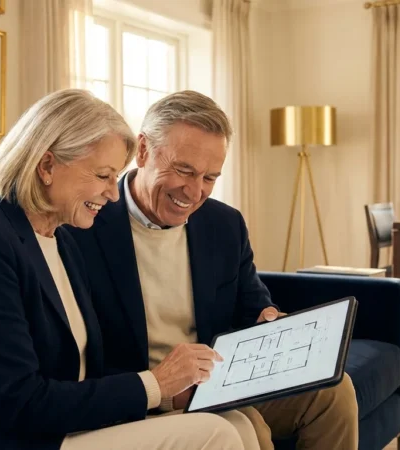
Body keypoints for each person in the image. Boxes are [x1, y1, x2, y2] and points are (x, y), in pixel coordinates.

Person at [0, 89, 259, 450]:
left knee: (236, 423)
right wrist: (156, 383)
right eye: (103, 176)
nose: (114, 194)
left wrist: (170, 395)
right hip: (2, 437)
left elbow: (86, 369)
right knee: (217, 434)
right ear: (47, 166)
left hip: (66, 425)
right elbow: (21, 402)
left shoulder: (61, 238)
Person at [66, 90, 359, 450]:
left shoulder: (224, 223)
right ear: (142, 150)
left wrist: (267, 322)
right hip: (146, 389)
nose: (194, 191)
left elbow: (252, 304)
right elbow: (79, 357)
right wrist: (165, 390)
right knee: (250, 429)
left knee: (334, 390)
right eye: (184, 170)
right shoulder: (84, 222)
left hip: (218, 379)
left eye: (210, 177)